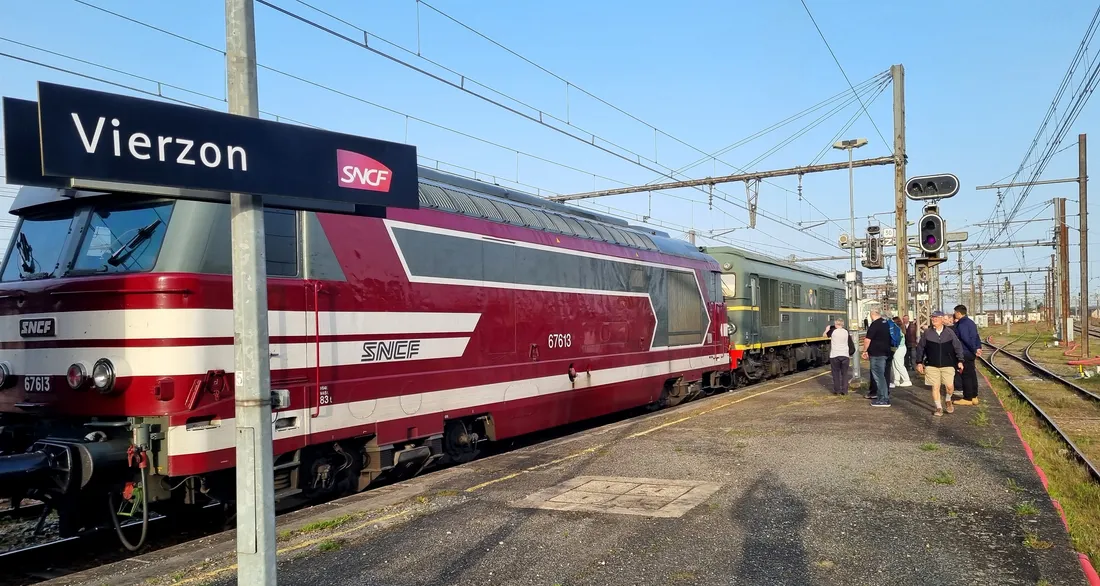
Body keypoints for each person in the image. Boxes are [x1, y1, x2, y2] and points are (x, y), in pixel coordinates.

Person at [914, 310, 965, 417]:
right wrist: (919, 362)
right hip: (932, 365)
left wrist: (960, 360)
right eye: (932, 317)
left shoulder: (949, 333)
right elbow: (920, 348)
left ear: (942, 319)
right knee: (935, 386)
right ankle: (938, 407)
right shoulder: (927, 333)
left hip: (948, 364)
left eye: (936, 317)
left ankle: (948, 399)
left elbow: (957, 347)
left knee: (950, 386)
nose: (934, 319)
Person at [861, 309, 893, 407]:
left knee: (879, 377)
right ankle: (881, 396)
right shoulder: (886, 323)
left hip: (877, 354)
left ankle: (884, 399)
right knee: (882, 376)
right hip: (886, 352)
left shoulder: (875, 324)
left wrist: (864, 351)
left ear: (872, 314)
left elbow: (867, 340)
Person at [953, 304, 982, 405]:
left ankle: (967, 398)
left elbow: (965, 339)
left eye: (955, 312)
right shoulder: (971, 322)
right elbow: (976, 336)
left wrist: (974, 349)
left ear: (958, 313)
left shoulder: (962, 324)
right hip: (970, 352)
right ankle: (974, 396)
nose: (954, 314)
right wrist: (978, 347)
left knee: (966, 375)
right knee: (972, 374)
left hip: (965, 352)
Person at [825, 319, 854, 395]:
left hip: (835, 355)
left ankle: (837, 390)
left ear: (835, 324)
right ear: (842, 324)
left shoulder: (833, 331)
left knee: (835, 373)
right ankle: (845, 391)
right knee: (844, 374)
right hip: (845, 355)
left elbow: (824, 335)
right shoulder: (846, 331)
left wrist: (827, 329)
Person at [889, 316, 912, 388]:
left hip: (899, 348)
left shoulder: (897, 330)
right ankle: (896, 380)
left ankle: (907, 380)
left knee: (899, 365)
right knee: (895, 364)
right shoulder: (901, 329)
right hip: (900, 348)